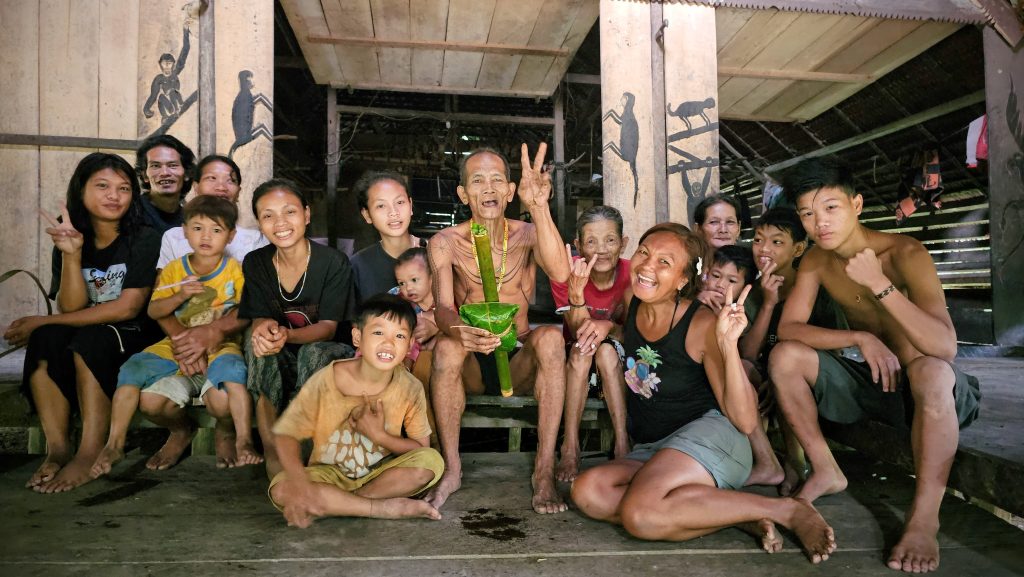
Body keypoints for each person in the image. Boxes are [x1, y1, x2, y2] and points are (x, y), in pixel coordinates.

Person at [570, 223, 836, 564]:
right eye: (644, 253)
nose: (647, 267)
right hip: (659, 446)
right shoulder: (632, 299)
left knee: (641, 513)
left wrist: (727, 344)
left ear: (683, 280)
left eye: (665, 263)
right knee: (588, 492)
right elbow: (626, 334)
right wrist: (609, 325)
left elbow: (743, 420)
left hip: (714, 439)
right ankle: (737, 516)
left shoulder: (702, 326)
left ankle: (786, 509)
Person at [769, 158, 981, 573]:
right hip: (880, 385)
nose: (820, 223)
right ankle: (826, 468)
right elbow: (790, 328)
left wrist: (878, 283)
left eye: (831, 208)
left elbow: (945, 347)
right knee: (784, 356)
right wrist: (859, 337)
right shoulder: (815, 261)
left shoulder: (905, 253)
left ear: (857, 205)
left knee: (931, 371)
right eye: (808, 214)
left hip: (937, 394)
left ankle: (923, 519)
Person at [425, 144, 571, 514]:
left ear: (510, 191)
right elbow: (442, 306)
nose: (488, 189)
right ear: (463, 194)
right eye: (477, 181)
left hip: (518, 355)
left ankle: (543, 471)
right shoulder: (445, 242)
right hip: (473, 357)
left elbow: (561, 273)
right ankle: (452, 469)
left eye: (496, 180)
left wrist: (539, 207)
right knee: (444, 348)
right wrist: (458, 330)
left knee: (552, 338)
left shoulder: (527, 232)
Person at [4, 153, 162, 493]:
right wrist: (72, 254)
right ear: (82, 191)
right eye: (102, 186)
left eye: (123, 188)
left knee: (89, 339)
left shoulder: (143, 237)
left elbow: (127, 308)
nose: (114, 196)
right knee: (47, 338)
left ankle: (89, 451)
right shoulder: (69, 236)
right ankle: (58, 449)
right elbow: (71, 305)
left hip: (135, 332)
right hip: (91, 326)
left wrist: (42, 319)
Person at [91, 196, 260, 476]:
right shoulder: (174, 270)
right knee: (132, 369)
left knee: (232, 378)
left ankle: (242, 439)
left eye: (216, 230)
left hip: (221, 345)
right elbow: (155, 309)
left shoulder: (234, 270)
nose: (206, 236)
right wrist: (180, 295)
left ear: (230, 236)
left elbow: (247, 309)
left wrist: (213, 334)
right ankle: (114, 443)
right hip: (175, 343)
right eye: (197, 228)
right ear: (184, 231)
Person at [268, 294, 444, 527]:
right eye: (378, 332)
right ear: (357, 337)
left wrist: (380, 436)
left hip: (381, 475)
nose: (389, 343)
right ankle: (381, 508)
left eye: (399, 335)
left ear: (410, 344)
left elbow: (421, 448)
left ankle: (337, 505)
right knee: (281, 488)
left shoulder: (410, 387)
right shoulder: (328, 379)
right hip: (328, 475)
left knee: (432, 462)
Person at [241, 179, 356, 479]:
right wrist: (265, 331)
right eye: (268, 215)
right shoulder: (256, 263)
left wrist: (287, 336)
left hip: (329, 355)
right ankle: (272, 449)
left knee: (314, 353)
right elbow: (259, 316)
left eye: (289, 212)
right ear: (259, 223)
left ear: (306, 214)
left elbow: (329, 329)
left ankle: (303, 450)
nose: (280, 222)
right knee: (257, 344)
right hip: (282, 355)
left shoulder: (333, 262)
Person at [550, 205, 631, 482]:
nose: (602, 249)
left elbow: (634, 332)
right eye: (591, 241)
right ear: (578, 246)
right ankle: (570, 446)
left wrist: (608, 325)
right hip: (576, 362)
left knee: (607, 352)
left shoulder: (633, 275)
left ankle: (622, 443)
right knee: (584, 349)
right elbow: (576, 330)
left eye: (610, 239)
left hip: (618, 365)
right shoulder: (565, 273)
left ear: (623, 243)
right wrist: (575, 292)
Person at [157, 154, 267, 268]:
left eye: (230, 181)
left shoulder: (255, 240)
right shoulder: (173, 237)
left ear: (238, 192)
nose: (221, 187)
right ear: (196, 187)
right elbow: (163, 283)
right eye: (212, 178)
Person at [350, 171, 425, 305]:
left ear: (411, 205)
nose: (393, 212)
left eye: (400, 202)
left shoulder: (435, 254)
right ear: (367, 215)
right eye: (381, 205)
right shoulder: (358, 266)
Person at [135, 134, 196, 233]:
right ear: (145, 175)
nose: (164, 173)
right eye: (155, 166)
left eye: (172, 165)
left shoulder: (191, 221)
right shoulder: (131, 212)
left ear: (187, 173)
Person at [693, 193, 743, 312]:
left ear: (739, 227)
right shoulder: (689, 267)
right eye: (714, 222)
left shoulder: (751, 266)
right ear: (698, 229)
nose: (723, 230)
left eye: (730, 222)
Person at [393, 247, 437, 370]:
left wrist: (436, 327)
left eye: (414, 280)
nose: (408, 288)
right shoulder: (397, 298)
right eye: (402, 283)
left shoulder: (444, 299)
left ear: (432, 277)